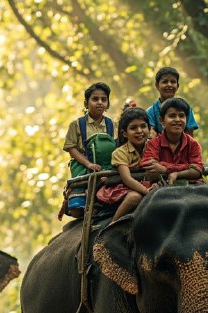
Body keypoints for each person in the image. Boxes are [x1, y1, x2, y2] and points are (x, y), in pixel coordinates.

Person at [61, 82, 115, 218]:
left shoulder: (112, 125)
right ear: (86, 103)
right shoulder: (77, 124)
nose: (100, 102)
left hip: (106, 169)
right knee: (77, 208)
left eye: (104, 99)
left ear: (108, 104)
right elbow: (71, 148)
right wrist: (88, 164)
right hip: (83, 169)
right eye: (95, 99)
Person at [97, 106, 161, 222]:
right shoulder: (120, 153)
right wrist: (147, 192)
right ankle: (112, 226)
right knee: (135, 197)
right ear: (125, 133)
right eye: (133, 128)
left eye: (143, 126)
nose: (139, 131)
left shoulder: (155, 146)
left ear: (149, 128)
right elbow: (127, 179)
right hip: (125, 187)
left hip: (150, 184)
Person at [141, 97, 204, 184]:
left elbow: (198, 170)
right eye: (172, 116)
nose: (178, 120)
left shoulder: (193, 144)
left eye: (181, 116)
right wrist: (187, 167)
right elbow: (150, 168)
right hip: (161, 185)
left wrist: (168, 170)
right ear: (162, 121)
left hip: (191, 186)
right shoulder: (153, 144)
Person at [146, 67, 199, 136]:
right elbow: (151, 134)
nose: (169, 85)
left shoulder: (186, 109)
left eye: (173, 82)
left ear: (177, 86)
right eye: (165, 82)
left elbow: (189, 134)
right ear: (157, 86)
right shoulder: (151, 111)